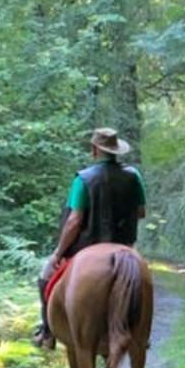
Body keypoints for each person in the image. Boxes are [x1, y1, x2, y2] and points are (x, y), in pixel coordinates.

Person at [31, 128, 147, 349]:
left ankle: (47, 332)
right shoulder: (134, 176)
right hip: (124, 247)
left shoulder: (83, 179)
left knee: (45, 276)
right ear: (116, 151)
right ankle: (141, 334)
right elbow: (141, 212)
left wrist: (58, 253)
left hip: (85, 247)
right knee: (141, 281)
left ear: (95, 150)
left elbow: (74, 221)